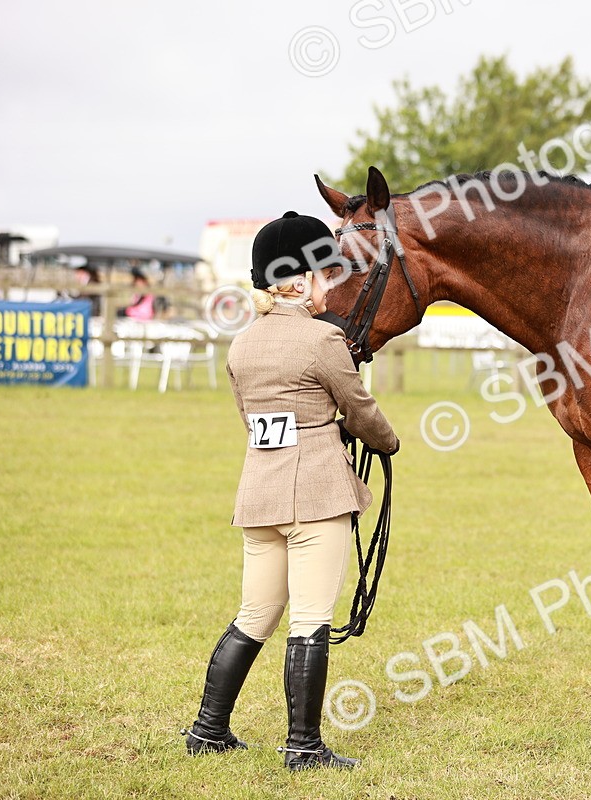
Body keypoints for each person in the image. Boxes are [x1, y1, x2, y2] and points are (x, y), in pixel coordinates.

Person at [183, 211, 400, 771]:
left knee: (254, 614)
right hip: (317, 496)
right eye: (325, 273)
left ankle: (209, 728)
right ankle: (303, 746)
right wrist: (387, 442)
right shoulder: (324, 339)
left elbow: (249, 418)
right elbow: (359, 409)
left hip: (260, 493)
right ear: (300, 280)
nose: (331, 284)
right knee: (309, 619)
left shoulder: (242, 346)